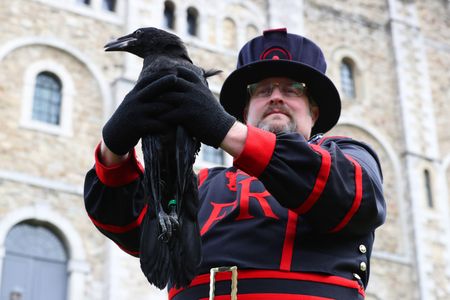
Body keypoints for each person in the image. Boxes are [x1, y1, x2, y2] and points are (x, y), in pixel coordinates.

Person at [84, 28, 386, 299]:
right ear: (245, 111)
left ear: (314, 113)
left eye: (293, 89)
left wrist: (223, 129)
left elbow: (353, 195)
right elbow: (130, 225)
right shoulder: (200, 185)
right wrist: (115, 145)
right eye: (263, 91)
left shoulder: (348, 155)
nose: (276, 98)